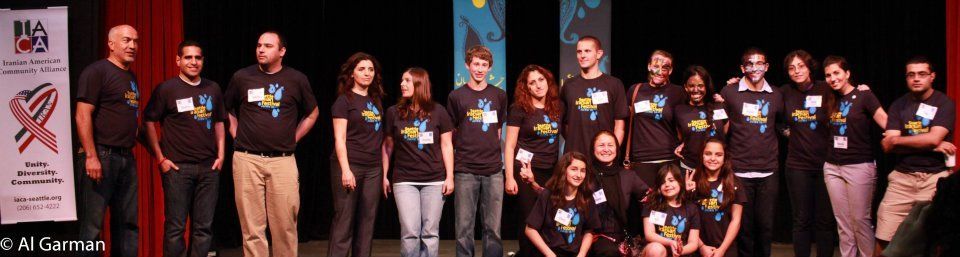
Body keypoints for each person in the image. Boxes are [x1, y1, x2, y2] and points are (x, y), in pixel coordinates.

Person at [224, 31, 319, 257]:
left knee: (285, 225)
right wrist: (236, 134)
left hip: (282, 161)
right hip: (247, 159)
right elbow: (226, 109)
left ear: (282, 51)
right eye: (258, 45)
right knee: (252, 229)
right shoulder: (242, 77)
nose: (261, 50)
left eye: (268, 46)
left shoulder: (296, 79)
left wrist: (293, 138)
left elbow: (313, 113)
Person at [143, 40, 225, 257]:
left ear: (203, 61)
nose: (193, 62)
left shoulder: (213, 88)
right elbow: (149, 121)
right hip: (178, 169)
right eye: (188, 57)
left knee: (203, 229)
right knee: (175, 229)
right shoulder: (167, 89)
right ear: (178, 60)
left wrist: (221, 155)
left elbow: (219, 122)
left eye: (198, 58)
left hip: (209, 168)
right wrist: (161, 158)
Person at [877, 56, 956, 252]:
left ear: (932, 76)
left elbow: (930, 138)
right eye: (911, 75)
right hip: (902, 178)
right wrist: (932, 145)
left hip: (934, 178)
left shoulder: (944, 103)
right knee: (884, 234)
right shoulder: (898, 105)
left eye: (922, 74)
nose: (916, 78)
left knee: (930, 239)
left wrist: (904, 140)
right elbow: (888, 146)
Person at [75, 24, 140, 257]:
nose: (132, 45)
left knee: (128, 226)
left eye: (135, 41)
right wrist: (91, 156)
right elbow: (82, 114)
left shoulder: (130, 76)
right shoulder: (97, 71)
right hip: (101, 156)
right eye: (126, 40)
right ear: (111, 44)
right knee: (92, 228)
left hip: (126, 158)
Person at [382, 68, 455, 257]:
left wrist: (450, 176)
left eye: (407, 80)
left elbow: (447, 145)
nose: (402, 84)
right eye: (401, 80)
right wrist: (384, 175)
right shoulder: (393, 112)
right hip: (405, 180)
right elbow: (387, 146)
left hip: (434, 180)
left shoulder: (439, 111)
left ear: (419, 84)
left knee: (430, 233)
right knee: (410, 233)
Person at [821, 55, 888, 257]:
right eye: (828, 75)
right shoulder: (829, 98)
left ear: (847, 73)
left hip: (859, 166)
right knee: (843, 224)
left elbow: (887, 122)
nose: (833, 78)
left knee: (860, 220)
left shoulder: (864, 95)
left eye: (837, 73)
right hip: (832, 167)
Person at [719, 47, 783, 257]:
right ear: (742, 68)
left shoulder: (776, 95)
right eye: (749, 64)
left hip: (768, 172)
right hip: (739, 170)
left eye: (759, 64)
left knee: (765, 228)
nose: (754, 68)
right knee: (744, 230)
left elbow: (783, 125)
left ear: (767, 67)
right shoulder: (729, 92)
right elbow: (721, 128)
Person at [448, 45, 508, 257]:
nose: (480, 69)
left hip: (493, 170)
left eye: (484, 65)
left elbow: (498, 130)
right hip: (465, 169)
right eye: (476, 64)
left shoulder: (499, 95)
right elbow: (453, 131)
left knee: (493, 228)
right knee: (464, 228)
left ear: (490, 68)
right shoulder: (456, 96)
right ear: (467, 65)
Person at [779, 50, 838, 257]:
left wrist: (862, 90)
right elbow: (771, 113)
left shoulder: (826, 88)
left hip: (827, 164)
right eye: (792, 68)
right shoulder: (785, 92)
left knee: (825, 220)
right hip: (797, 166)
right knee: (801, 220)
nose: (797, 71)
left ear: (809, 67)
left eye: (801, 66)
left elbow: (849, 96)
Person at [328, 52, 385, 257]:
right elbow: (339, 139)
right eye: (361, 69)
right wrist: (346, 170)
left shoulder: (375, 100)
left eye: (370, 69)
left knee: (367, 223)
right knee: (344, 222)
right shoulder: (344, 101)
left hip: (373, 169)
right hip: (350, 166)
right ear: (352, 73)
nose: (367, 73)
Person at [504, 64, 564, 257]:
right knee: (529, 218)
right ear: (526, 87)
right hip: (525, 171)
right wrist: (509, 177)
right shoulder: (519, 109)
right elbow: (510, 145)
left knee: (549, 218)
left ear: (548, 81)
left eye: (541, 80)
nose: (538, 85)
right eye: (532, 82)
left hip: (551, 170)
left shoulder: (558, 106)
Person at [625, 50, 686, 187]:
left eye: (665, 68)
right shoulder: (635, 90)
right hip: (641, 161)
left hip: (669, 159)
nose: (660, 71)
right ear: (649, 66)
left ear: (670, 71)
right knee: (646, 205)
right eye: (656, 66)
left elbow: (689, 120)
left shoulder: (678, 92)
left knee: (669, 205)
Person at [560, 36, 629, 156]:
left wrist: (611, 152)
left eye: (587, 51)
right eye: (579, 51)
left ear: (599, 54)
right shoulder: (568, 85)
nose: (582, 55)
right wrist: (574, 142)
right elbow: (563, 123)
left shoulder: (614, 84)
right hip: (575, 155)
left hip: (602, 155)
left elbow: (619, 125)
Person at [586, 130, 650, 257]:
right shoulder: (585, 175)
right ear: (593, 149)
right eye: (601, 145)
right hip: (593, 236)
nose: (606, 149)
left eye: (610, 145)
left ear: (617, 148)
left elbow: (651, 197)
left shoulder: (628, 176)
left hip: (622, 235)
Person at [525, 152, 600, 257]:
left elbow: (589, 230)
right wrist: (550, 255)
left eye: (582, 171)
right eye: (574, 169)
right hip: (548, 253)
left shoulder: (587, 198)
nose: (579, 175)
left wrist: (582, 254)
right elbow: (530, 229)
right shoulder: (548, 194)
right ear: (564, 170)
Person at [692, 139, 746, 257]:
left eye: (718, 155)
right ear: (701, 156)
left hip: (726, 248)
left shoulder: (734, 182)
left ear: (725, 158)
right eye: (708, 154)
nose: (712, 158)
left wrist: (722, 250)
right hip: (697, 247)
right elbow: (688, 220)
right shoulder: (692, 182)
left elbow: (736, 220)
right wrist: (701, 247)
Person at [673, 65, 726, 174]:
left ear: (706, 86)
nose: (696, 90)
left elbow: (724, 134)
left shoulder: (719, 106)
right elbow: (681, 137)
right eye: (691, 86)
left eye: (700, 85)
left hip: (715, 169)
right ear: (685, 87)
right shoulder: (679, 110)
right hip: (689, 167)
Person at [641, 164, 701, 257]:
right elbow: (649, 234)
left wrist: (681, 250)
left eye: (671, 180)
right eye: (663, 182)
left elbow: (693, 243)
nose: (667, 185)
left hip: (679, 252)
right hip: (655, 251)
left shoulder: (691, 208)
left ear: (680, 182)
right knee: (656, 249)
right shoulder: (653, 204)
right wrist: (671, 243)